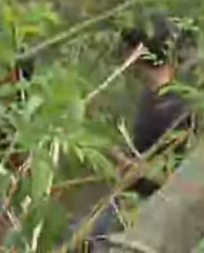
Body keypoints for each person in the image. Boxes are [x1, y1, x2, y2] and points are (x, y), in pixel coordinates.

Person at [80, 13, 196, 250]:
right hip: (129, 200)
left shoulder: (173, 108)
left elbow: (168, 177)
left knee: (87, 238)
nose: (126, 57)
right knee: (80, 232)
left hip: (150, 209)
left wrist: (109, 152)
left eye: (130, 49)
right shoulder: (151, 98)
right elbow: (141, 152)